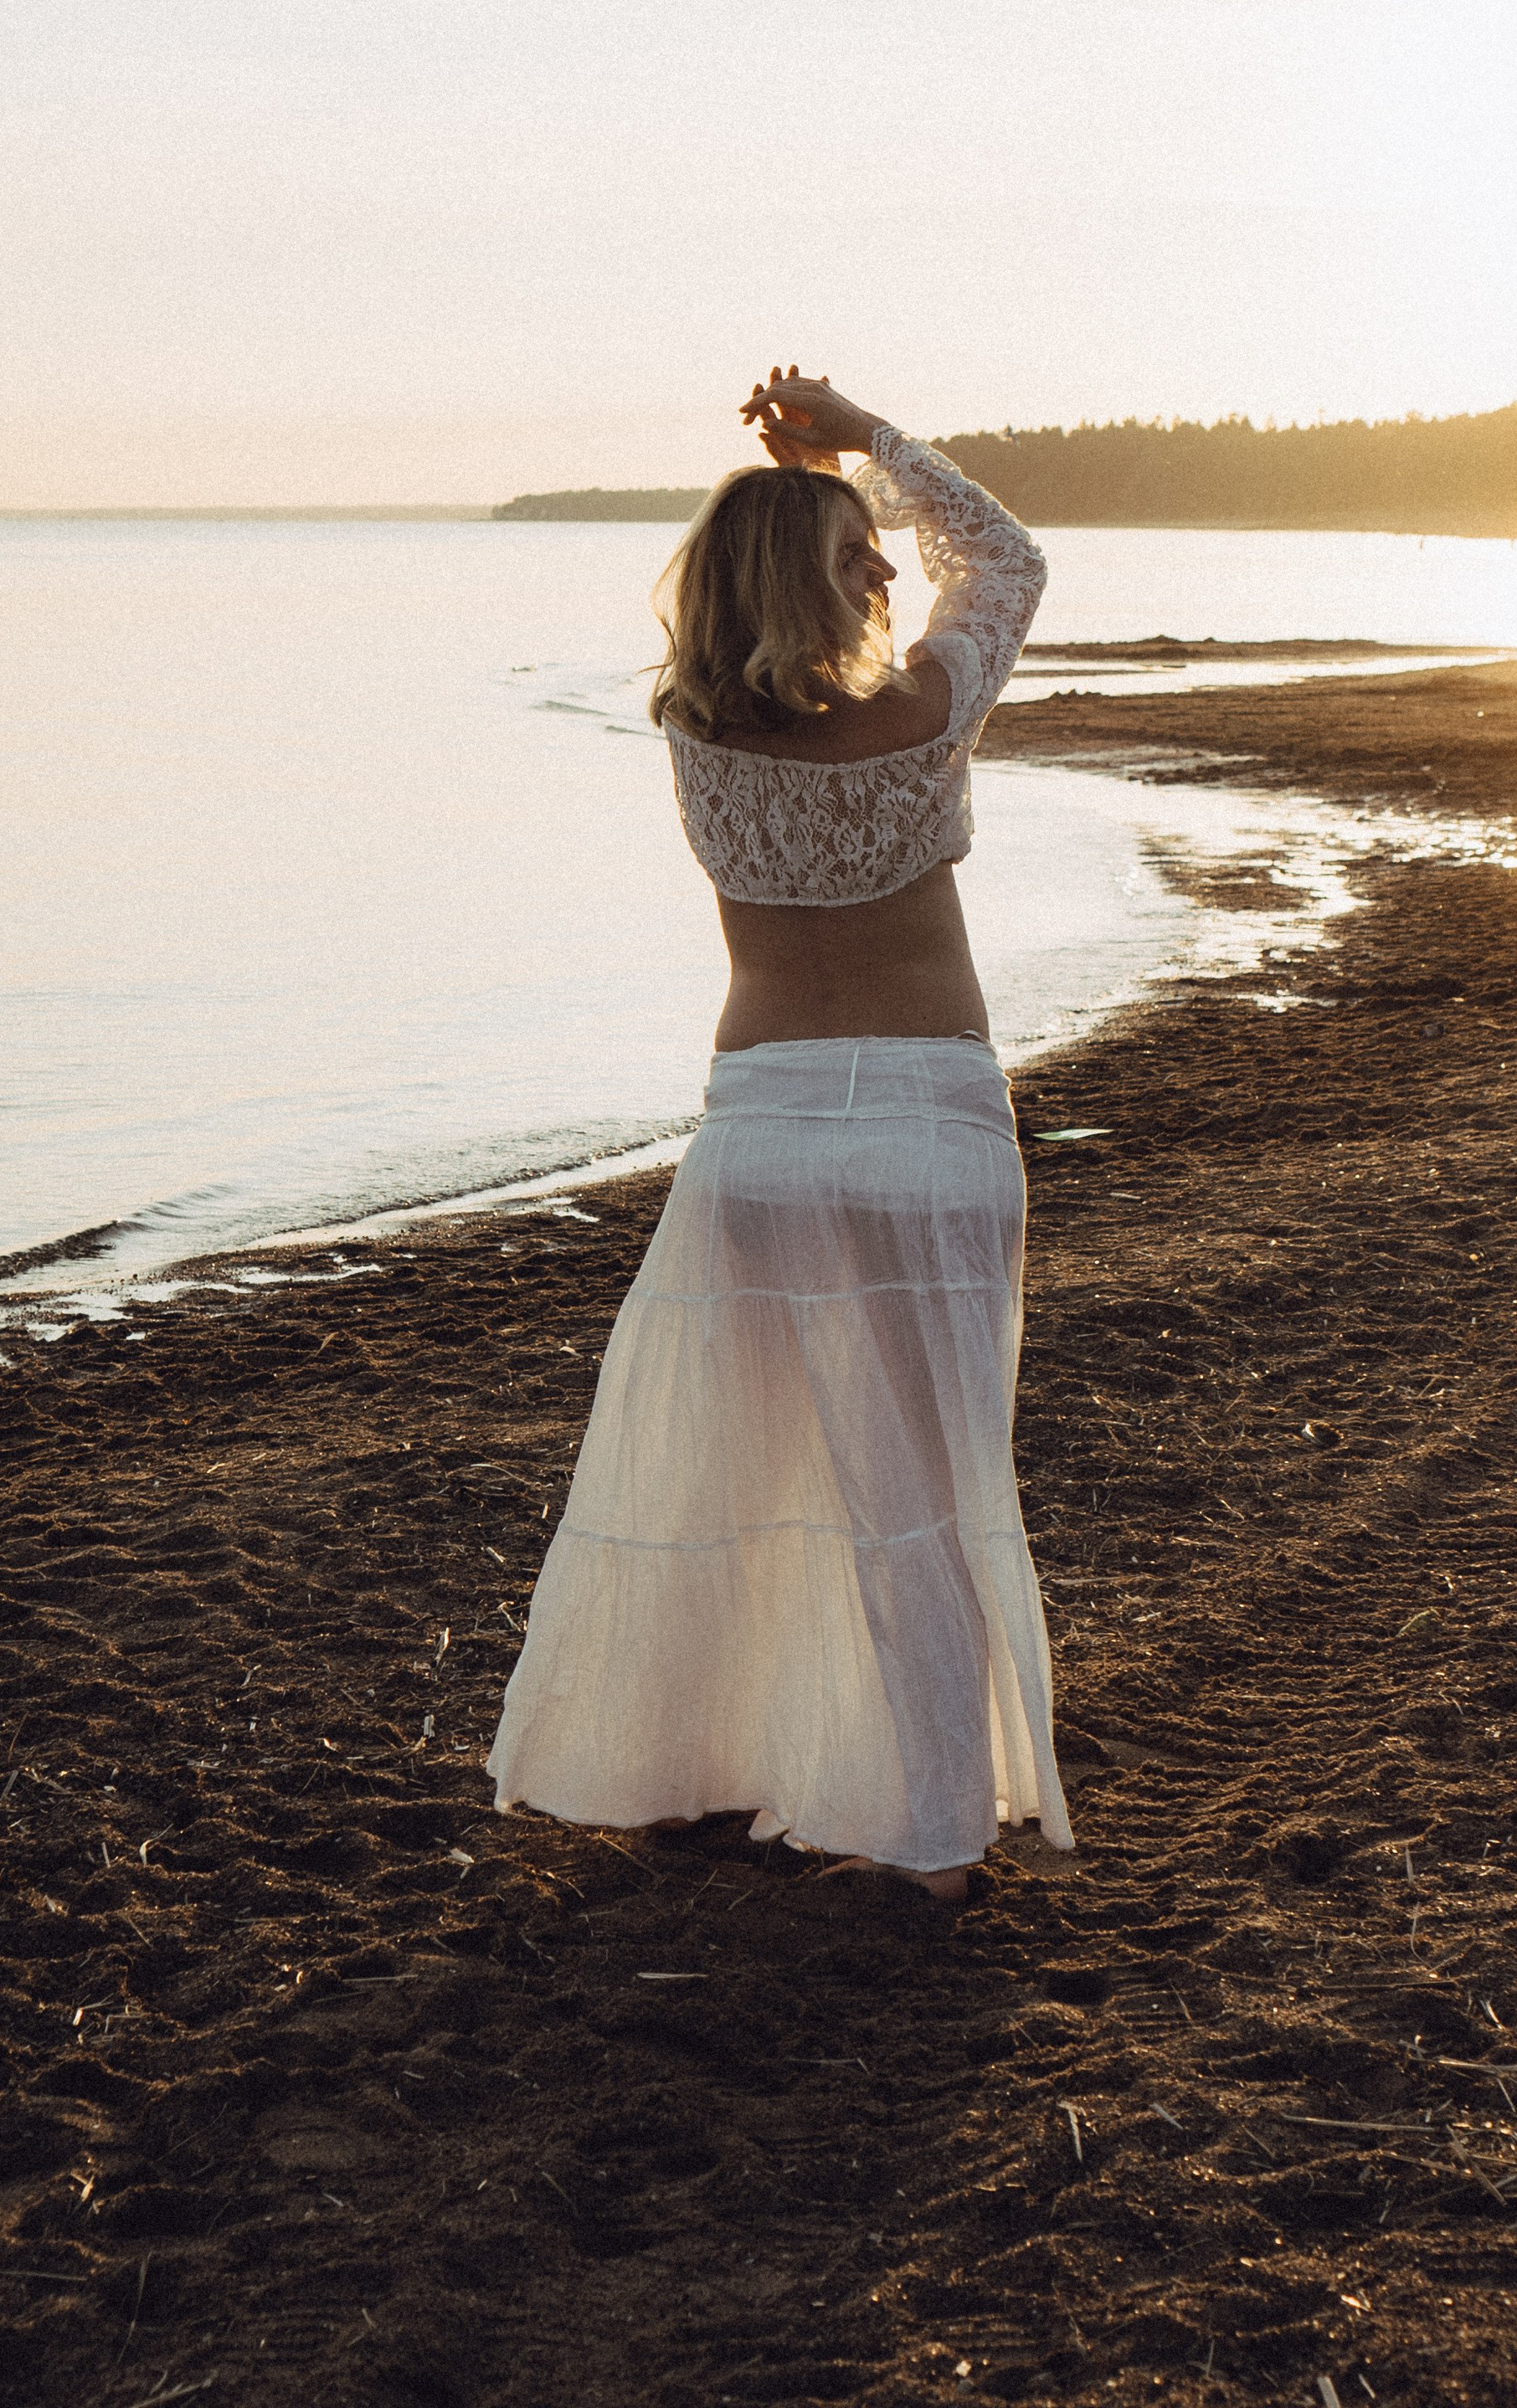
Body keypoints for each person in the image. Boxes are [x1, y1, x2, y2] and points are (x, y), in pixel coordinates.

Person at [488, 368, 1072, 1902]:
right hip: (929, 1127)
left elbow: (906, 578)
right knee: (920, 1500)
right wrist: (867, 440)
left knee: (718, 1472)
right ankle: (935, 1834)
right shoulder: (919, 721)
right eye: (857, 558)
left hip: (761, 1137)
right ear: (815, 586)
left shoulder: (695, 738)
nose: (887, 568)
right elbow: (1004, 559)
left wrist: (818, 496)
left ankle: (683, 1765)